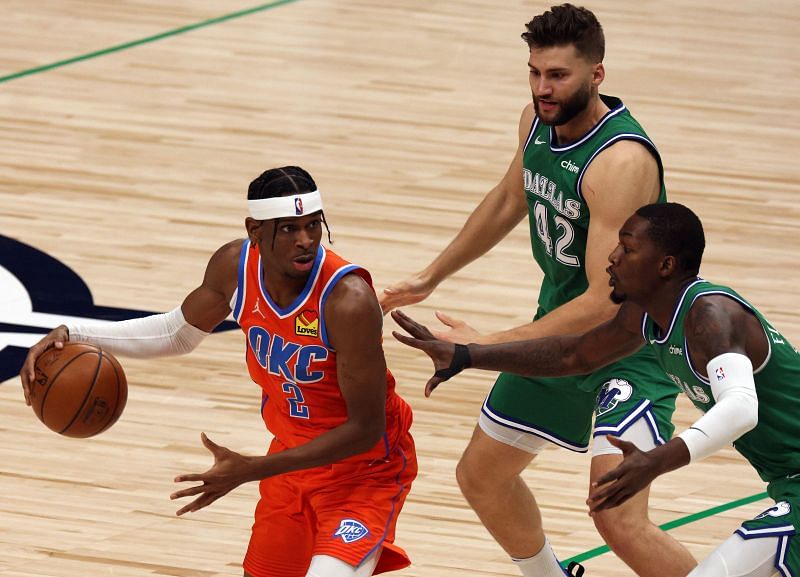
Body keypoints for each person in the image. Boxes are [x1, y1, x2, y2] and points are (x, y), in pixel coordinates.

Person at [380, 4, 694, 576]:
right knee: (481, 476)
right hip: (560, 327)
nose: (543, 88)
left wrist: (486, 345)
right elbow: (509, 197)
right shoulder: (534, 121)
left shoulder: (620, 161)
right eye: (535, 72)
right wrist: (430, 276)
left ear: (596, 75)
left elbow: (606, 299)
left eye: (558, 76)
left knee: (617, 518)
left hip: (631, 347)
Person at [20, 166, 417, 577]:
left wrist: (251, 469)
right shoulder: (235, 267)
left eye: (313, 226)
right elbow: (177, 333)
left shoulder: (348, 300)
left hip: (366, 470)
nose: (305, 241)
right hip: (292, 460)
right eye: (288, 229)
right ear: (255, 231)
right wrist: (75, 332)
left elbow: (365, 429)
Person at [393, 202, 800, 577]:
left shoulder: (710, 316)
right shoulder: (647, 313)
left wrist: (655, 461)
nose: (612, 256)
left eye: (627, 248)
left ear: (665, 265)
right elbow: (575, 355)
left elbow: (742, 408)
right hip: (787, 482)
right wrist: (467, 355)